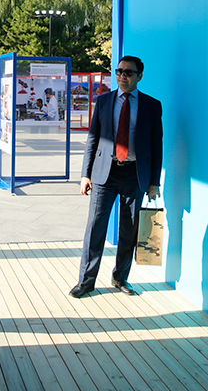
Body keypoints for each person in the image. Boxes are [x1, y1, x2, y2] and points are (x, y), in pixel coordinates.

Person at [70, 55, 163, 298]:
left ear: (139, 76)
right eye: (119, 71)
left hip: (135, 174)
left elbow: (156, 146)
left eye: (128, 72)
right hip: (104, 174)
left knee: (129, 230)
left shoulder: (152, 106)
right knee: (95, 228)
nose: (122, 76)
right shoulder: (103, 101)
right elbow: (92, 139)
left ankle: (120, 278)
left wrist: (154, 182)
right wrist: (85, 174)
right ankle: (86, 281)